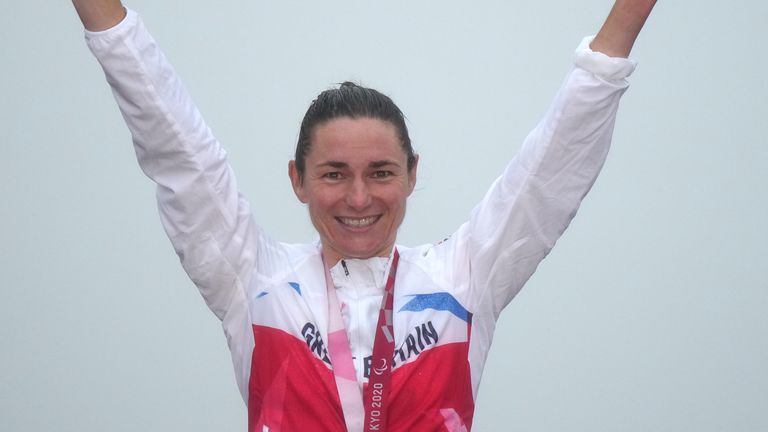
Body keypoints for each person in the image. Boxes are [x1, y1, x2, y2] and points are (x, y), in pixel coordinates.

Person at [72, 1, 657, 430]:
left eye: (380, 172)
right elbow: (174, 144)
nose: (358, 198)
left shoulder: (463, 277)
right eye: (333, 174)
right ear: (297, 180)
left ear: (411, 175)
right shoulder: (253, 281)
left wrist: (627, 18)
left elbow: (551, 173)